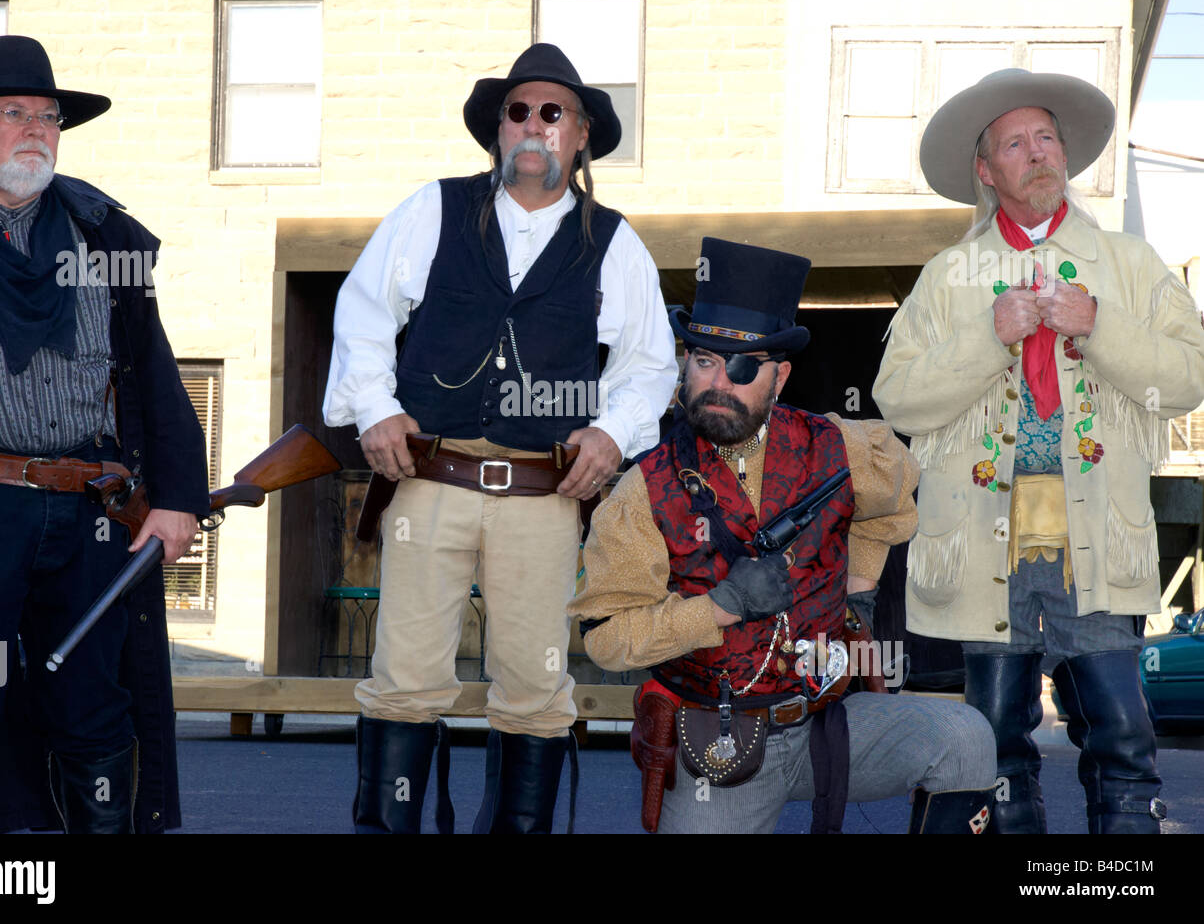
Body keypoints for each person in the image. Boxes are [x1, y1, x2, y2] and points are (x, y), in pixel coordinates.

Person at [322, 43, 676, 833]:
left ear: (580, 134)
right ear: (498, 130)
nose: (533, 125)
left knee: (536, 689)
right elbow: (364, 314)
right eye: (518, 111)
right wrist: (375, 407)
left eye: (553, 113)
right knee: (404, 679)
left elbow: (652, 366)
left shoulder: (613, 241)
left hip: (541, 496)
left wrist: (611, 435)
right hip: (428, 481)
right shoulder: (432, 209)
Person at [569, 237, 998, 834]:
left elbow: (896, 500)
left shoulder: (838, 446)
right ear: (683, 363)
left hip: (830, 723)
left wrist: (857, 588)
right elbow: (608, 638)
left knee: (966, 738)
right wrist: (716, 609)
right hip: (721, 738)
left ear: (780, 375)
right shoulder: (644, 491)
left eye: (744, 367)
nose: (720, 382)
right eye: (704, 361)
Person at [873, 68, 1204, 833]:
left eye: (1047, 137)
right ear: (987, 172)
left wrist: (1098, 324)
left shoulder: (1130, 264)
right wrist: (987, 336)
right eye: (1015, 143)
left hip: (1097, 534)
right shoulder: (947, 276)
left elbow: (1187, 380)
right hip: (987, 535)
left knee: (1123, 739)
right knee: (993, 747)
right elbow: (898, 399)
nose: (1038, 152)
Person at [0, 35, 207, 834]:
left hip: (91, 509)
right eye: (12, 114)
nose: (35, 129)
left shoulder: (103, 232)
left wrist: (179, 500)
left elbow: (154, 372)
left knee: (93, 705)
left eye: (48, 116)